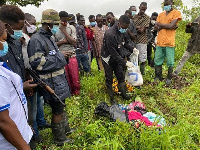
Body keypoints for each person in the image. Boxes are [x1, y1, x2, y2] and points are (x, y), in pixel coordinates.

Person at [27, 9, 74, 146]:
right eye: (54, 25)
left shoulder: (49, 38)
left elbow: (53, 55)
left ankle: (66, 130)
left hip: (59, 80)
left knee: (61, 107)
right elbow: (38, 63)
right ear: (48, 25)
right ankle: (60, 139)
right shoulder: (36, 40)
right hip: (50, 83)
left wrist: (62, 55)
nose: (55, 28)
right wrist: (61, 56)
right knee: (57, 110)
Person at [0, 19, 32, 150]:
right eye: (3, 40)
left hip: (19, 136)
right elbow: (3, 122)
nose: (4, 44)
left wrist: (24, 126)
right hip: (11, 145)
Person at [22, 13, 50, 145]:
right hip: (28, 75)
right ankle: (35, 134)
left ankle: (41, 122)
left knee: (39, 101)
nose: (34, 26)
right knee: (31, 107)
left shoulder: (30, 38)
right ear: (25, 23)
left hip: (35, 74)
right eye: (32, 23)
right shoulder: (20, 39)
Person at [0, 5, 36, 91]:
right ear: (6, 26)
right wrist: (20, 87)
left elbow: (19, 65)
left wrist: (25, 78)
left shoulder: (17, 42)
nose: (20, 32)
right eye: (18, 29)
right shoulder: (1, 48)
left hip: (21, 96)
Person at [101, 15, 134, 104]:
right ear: (119, 24)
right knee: (109, 78)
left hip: (117, 56)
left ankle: (124, 93)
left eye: (126, 28)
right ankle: (112, 98)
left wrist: (132, 49)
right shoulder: (110, 34)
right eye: (124, 27)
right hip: (108, 58)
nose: (125, 29)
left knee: (120, 75)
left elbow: (124, 43)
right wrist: (125, 62)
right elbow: (113, 54)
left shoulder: (124, 30)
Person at [154, 0, 182, 84]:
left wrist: (160, 25)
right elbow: (156, 28)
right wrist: (168, 26)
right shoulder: (160, 14)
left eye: (167, 5)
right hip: (160, 41)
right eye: (164, 5)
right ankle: (158, 76)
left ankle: (169, 78)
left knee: (170, 61)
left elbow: (172, 25)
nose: (166, 6)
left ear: (171, 4)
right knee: (157, 60)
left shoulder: (176, 13)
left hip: (169, 42)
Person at [54, 11, 80, 95]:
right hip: (61, 56)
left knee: (75, 77)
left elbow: (74, 42)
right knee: (66, 77)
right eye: (63, 20)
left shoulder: (71, 28)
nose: (65, 22)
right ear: (59, 19)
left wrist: (64, 31)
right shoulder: (55, 29)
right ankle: (69, 94)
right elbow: (53, 44)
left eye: (66, 20)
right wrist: (64, 41)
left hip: (72, 55)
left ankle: (76, 93)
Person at [132, 2, 150, 75]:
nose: (143, 10)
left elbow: (141, 31)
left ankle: (141, 74)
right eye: (142, 9)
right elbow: (131, 27)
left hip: (142, 41)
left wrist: (136, 27)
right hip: (134, 40)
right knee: (134, 59)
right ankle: (135, 74)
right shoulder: (134, 17)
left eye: (144, 9)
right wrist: (138, 27)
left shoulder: (147, 18)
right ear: (139, 7)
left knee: (142, 59)